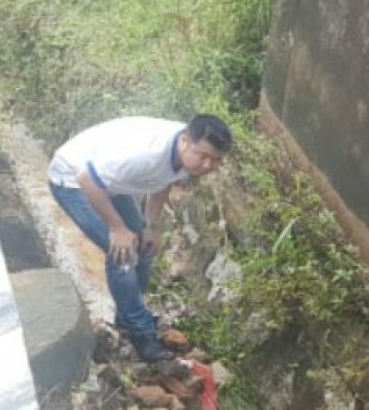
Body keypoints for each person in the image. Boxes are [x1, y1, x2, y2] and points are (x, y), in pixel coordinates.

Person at [48, 114, 233, 361]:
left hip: (110, 180)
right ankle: (140, 332)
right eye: (204, 157)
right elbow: (87, 179)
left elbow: (164, 180)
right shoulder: (147, 155)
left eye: (216, 160)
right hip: (73, 178)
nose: (208, 165)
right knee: (122, 254)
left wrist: (151, 226)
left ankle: (128, 316)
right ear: (186, 140)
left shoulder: (186, 155)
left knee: (144, 248)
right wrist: (116, 228)